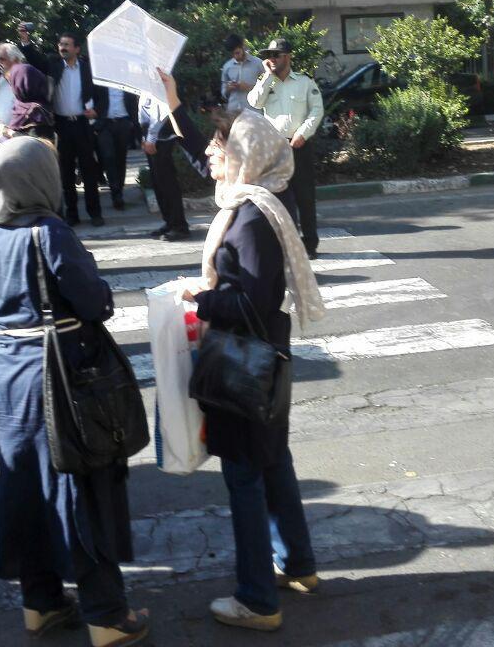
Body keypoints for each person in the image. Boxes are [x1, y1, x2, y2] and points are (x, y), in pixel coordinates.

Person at [0, 138, 149, 645]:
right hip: (59, 374)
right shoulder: (49, 231)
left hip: (7, 372)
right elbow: (94, 302)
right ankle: (107, 616)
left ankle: (40, 603)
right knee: (81, 488)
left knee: (24, 489)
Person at [159, 69, 326, 632]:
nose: (211, 156)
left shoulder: (251, 218)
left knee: (245, 476)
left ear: (245, 156)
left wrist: (200, 299)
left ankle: (257, 599)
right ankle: (298, 564)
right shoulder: (254, 198)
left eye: (219, 148)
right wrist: (175, 105)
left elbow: (251, 299)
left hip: (243, 360)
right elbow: (201, 154)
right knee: (273, 460)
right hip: (264, 354)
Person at [246, 37, 325, 259]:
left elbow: (316, 110)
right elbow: (254, 102)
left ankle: (309, 245)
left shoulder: (304, 82)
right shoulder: (267, 82)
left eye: (275, 55)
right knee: (278, 197)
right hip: (275, 148)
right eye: (268, 56)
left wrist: (303, 134)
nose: (271, 59)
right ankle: (286, 244)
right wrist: (267, 76)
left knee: (304, 197)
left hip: (299, 145)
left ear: (287, 57)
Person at [45, 33, 104, 227]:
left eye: (67, 44)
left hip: (82, 124)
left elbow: (102, 94)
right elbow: (35, 59)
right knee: (66, 172)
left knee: (89, 170)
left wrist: (97, 111)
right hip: (61, 125)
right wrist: (26, 42)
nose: (62, 47)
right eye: (60, 44)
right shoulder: (54, 67)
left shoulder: (88, 69)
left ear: (77, 49)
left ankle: (95, 213)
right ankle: (72, 214)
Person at [139, 92, 188, 240]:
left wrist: (150, 138)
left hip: (162, 137)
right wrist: (144, 137)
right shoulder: (144, 86)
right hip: (151, 135)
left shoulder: (156, 83)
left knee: (167, 183)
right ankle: (169, 222)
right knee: (158, 182)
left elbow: (160, 113)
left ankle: (179, 226)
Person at [0, 42, 54, 141]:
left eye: (2, 59)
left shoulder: (36, 113)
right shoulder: (22, 105)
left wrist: (8, 132)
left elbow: (34, 144)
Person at [93, 85, 137, 211]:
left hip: (123, 122)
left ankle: (119, 192)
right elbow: (92, 96)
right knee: (108, 156)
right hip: (104, 123)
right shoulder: (100, 79)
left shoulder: (125, 79)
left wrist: (133, 123)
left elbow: (133, 100)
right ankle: (115, 192)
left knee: (121, 158)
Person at [221, 34, 263, 112]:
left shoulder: (258, 64)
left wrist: (249, 88)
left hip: (253, 112)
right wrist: (228, 89)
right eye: (232, 54)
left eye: (237, 53)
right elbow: (223, 92)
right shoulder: (227, 66)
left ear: (243, 47)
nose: (235, 57)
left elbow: (270, 86)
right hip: (233, 112)